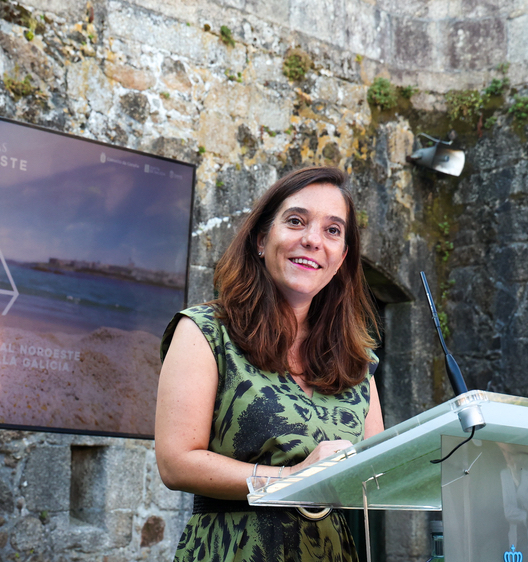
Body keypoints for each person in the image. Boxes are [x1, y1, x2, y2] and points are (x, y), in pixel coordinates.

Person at [155, 166, 384, 562]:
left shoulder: (357, 363)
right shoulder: (205, 332)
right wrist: (294, 480)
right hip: (234, 549)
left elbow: (376, 475)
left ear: (342, 257)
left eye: (333, 230)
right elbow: (176, 463)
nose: (313, 240)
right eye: (296, 221)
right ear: (262, 239)